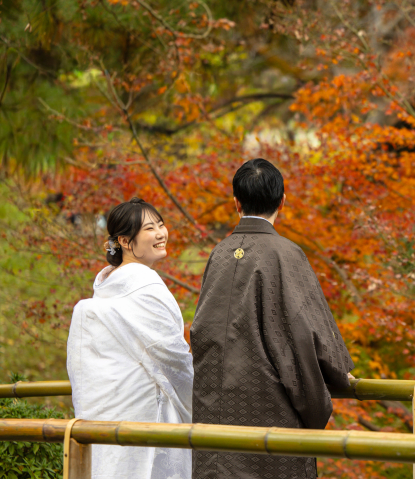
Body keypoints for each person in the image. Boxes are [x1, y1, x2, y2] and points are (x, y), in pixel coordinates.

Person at [191, 158, 355, 479]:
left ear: (236, 202)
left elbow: (202, 331)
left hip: (213, 414)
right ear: (283, 200)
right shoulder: (286, 253)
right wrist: (337, 374)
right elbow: (308, 331)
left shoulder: (220, 253)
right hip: (268, 411)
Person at [67, 198, 193, 479]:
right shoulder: (146, 287)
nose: (161, 233)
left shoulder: (107, 286)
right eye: (150, 228)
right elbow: (173, 358)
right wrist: (202, 399)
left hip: (107, 417)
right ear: (125, 241)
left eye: (161, 224)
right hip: (145, 413)